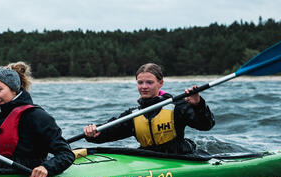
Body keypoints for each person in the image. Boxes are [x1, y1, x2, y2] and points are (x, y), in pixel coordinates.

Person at [82, 63, 214, 154]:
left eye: (149, 82)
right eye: (140, 82)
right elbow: (108, 132)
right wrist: (93, 132)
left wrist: (198, 104)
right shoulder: (133, 115)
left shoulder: (177, 107)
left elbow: (206, 125)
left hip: (178, 156)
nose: (144, 86)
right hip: (148, 157)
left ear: (160, 83)